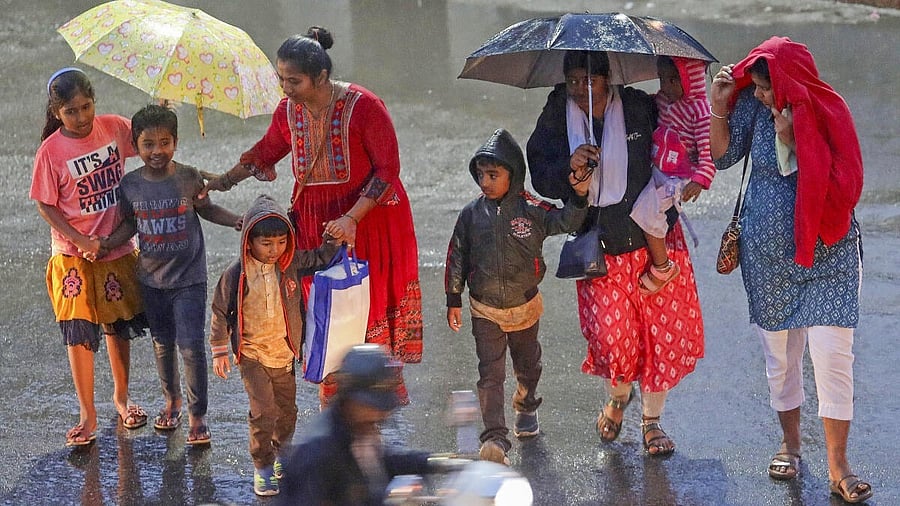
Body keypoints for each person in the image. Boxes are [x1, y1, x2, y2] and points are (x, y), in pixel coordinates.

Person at [200, 26, 423, 409]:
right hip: (316, 224)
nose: (285, 87)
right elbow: (268, 150)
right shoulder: (289, 111)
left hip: (369, 220)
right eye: (281, 79)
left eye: (293, 80)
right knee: (325, 308)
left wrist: (352, 218)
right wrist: (222, 181)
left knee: (364, 302)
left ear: (321, 77)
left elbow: (388, 170)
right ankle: (336, 395)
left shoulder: (364, 106)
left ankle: (374, 392)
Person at [709, 37, 872, 503]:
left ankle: (839, 464)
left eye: (765, 88)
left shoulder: (826, 108)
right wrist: (720, 106)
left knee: (833, 360)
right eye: (756, 87)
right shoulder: (752, 107)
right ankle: (791, 443)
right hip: (768, 260)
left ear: (788, 80)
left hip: (830, 254)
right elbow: (722, 158)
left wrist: (793, 138)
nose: (760, 96)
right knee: (781, 359)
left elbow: (848, 181)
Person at [525, 50, 705, 456]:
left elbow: (684, 139)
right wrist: (570, 171)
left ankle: (652, 422)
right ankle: (618, 398)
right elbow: (539, 169)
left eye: (589, 81)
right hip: (599, 248)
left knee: (658, 339)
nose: (579, 89)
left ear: (608, 79)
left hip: (651, 242)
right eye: (572, 81)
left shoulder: (641, 108)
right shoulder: (557, 110)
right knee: (614, 341)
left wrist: (715, 117)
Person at [445, 128, 590, 465]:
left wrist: (579, 195)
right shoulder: (470, 214)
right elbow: (457, 255)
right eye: (480, 174)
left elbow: (566, 220)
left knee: (528, 364)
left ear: (514, 173)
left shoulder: (531, 209)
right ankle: (495, 438)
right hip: (485, 309)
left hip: (525, 306)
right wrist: (454, 297)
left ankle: (526, 402)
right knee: (490, 374)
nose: (485, 181)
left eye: (493, 174)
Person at [102, 104, 242, 446]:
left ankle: (198, 416)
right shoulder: (130, 185)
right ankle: (172, 402)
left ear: (175, 142)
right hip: (151, 281)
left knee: (191, 346)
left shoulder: (188, 177)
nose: (157, 151)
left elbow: (206, 208)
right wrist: (104, 245)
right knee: (162, 344)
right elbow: (129, 225)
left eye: (165, 142)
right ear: (136, 145)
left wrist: (237, 220)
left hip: (189, 278)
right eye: (148, 144)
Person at [30, 67, 149, 447]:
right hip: (72, 254)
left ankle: (122, 398)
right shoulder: (51, 151)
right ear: (56, 113)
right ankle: (87, 413)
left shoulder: (113, 127)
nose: (81, 118)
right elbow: (46, 205)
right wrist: (78, 238)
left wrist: (160, 112)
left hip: (115, 247)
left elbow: (148, 141)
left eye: (86, 107)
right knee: (79, 332)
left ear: (95, 101)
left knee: (117, 326)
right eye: (71, 112)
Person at [208, 194, 337, 496]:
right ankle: (262, 465)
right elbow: (219, 310)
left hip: (283, 354)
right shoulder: (236, 273)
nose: (274, 250)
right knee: (263, 411)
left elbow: (321, 256)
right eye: (266, 244)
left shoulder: (289, 264)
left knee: (286, 412)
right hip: (252, 354)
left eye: (280, 242)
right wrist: (218, 348)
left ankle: (282, 454)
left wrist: (333, 239)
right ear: (249, 241)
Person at [276, 344, 436, 505]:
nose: (381, 413)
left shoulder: (356, 428)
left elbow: (379, 463)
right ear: (351, 399)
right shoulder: (320, 451)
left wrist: (430, 462)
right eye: (373, 405)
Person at [630, 56, 715, 295]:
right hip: (661, 165)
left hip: (681, 173)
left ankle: (663, 266)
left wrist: (700, 179)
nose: (665, 86)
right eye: (662, 79)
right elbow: (649, 104)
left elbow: (709, 150)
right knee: (644, 206)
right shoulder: (664, 100)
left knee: (646, 212)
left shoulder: (700, 111)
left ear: (692, 80)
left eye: (673, 80)